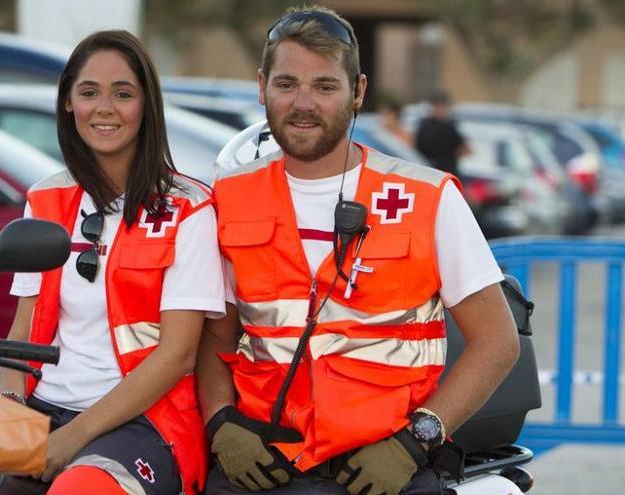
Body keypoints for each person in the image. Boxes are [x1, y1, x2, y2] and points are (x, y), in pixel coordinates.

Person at [197, 7, 520, 495]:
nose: (303, 103)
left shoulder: (426, 198)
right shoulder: (228, 197)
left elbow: (498, 342)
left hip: (388, 468)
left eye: (325, 87)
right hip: (262, 465)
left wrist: (416, 442)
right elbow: (214, 339)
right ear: (261, 86)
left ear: (358, 92)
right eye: (287, 84)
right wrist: (221, 424)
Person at [0, 30, 226, 495]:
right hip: (45, 411)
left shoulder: (189, 209)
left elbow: (178, 354)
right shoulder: (45, 199)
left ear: (147, 106)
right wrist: (12, 415)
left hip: (146, 422)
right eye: (88, 92)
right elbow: (21, 334)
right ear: (67, 104)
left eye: (123, 94)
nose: (105, 107)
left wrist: (72, 439)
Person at [414, 90, 470, 177]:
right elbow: (465, 151)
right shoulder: (447, 126)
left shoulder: (423, 125)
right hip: (446, 175)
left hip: (425, 174)